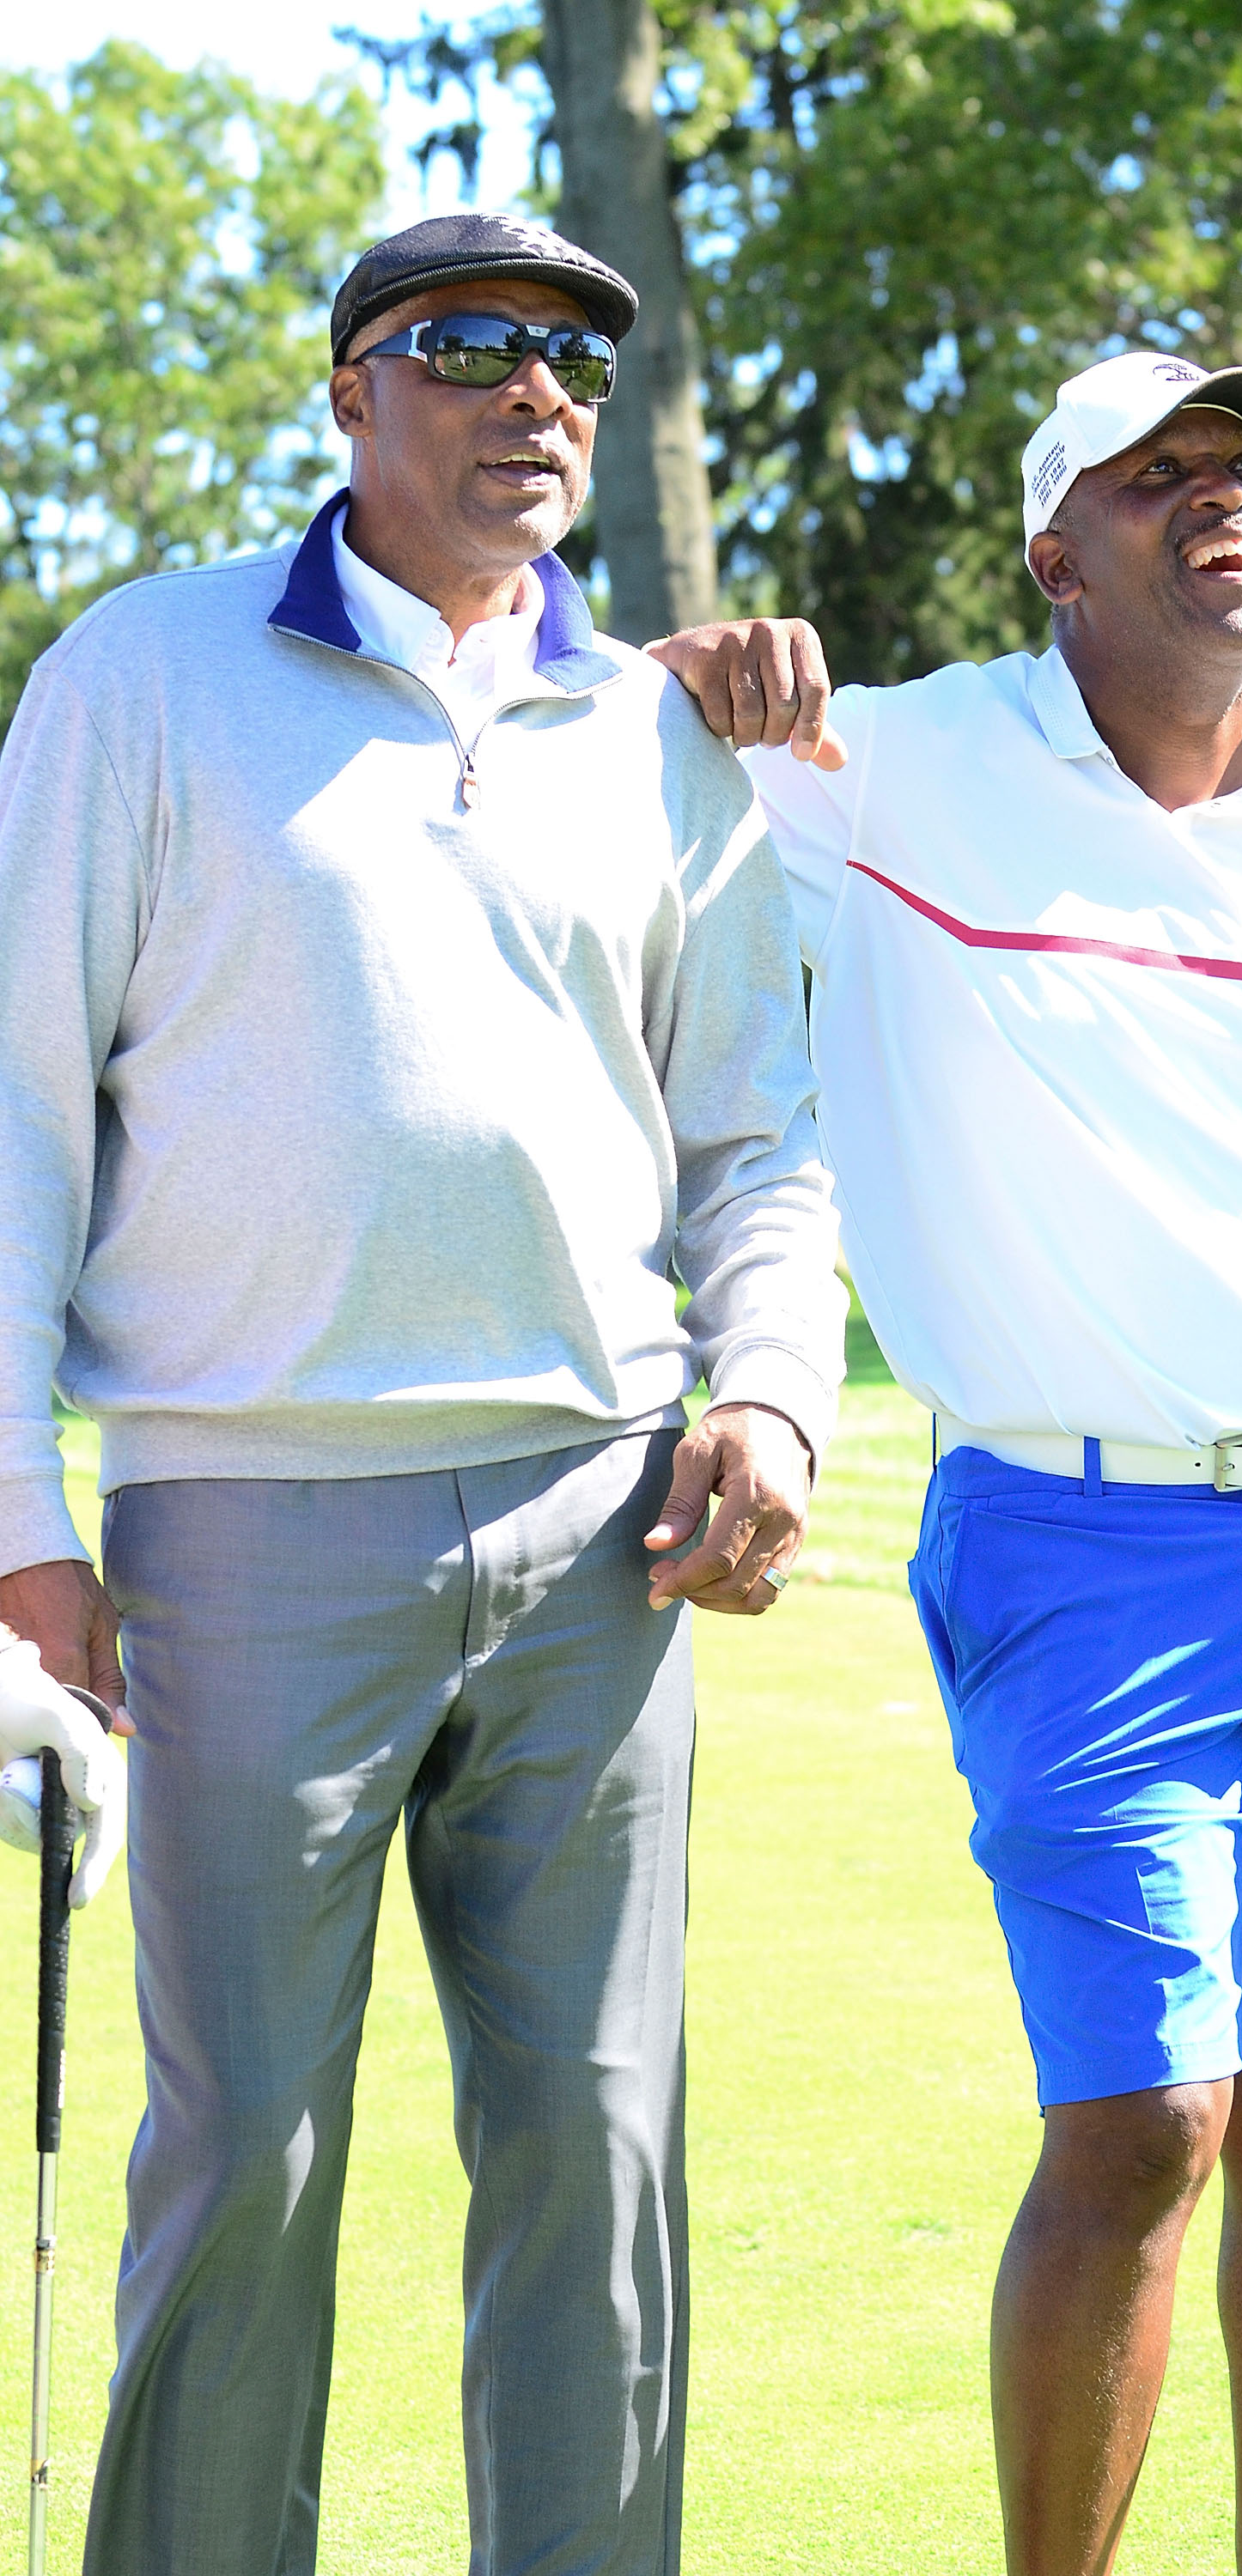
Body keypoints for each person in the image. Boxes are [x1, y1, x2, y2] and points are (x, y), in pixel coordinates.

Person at [651, 347, 1242, 2576]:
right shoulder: (908, 760)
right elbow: (652, 745)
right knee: (1148, 2115)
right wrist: (694, 675)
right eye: (1155, 478)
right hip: (1066, 1533)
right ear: (1057, 554)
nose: (1219, 499)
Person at [0, 212, 844, 2576]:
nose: (533, 390)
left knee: (596, 2160)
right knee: (245, 2149)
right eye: (467, 346)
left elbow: (759, 1136)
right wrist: (17, 1519)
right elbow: (11, 1121)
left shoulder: (659, 731)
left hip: (605, 1527)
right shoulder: (142, 676)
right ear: (350, 393)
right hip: (243, 1522)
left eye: (571, 355)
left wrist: (770, 1394)